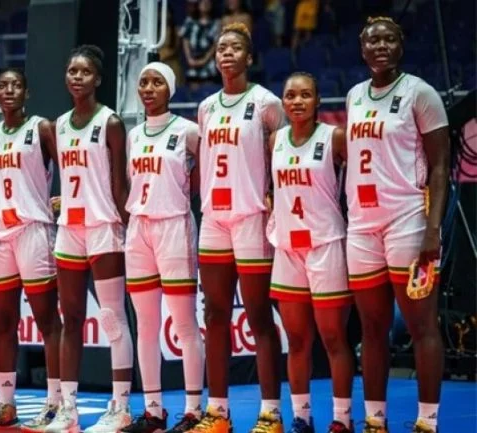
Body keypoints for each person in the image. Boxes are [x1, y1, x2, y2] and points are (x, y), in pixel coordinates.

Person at [346, 17, 449, 433]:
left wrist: (432, 228)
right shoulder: (354, 95)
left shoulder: (420, 93)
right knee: (372, 328)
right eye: (373, 41)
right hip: (362, 224)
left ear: (401, 45)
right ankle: (375, 421)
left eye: (389, 39)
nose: (381, 46)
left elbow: (440, 168)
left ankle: (427, 421)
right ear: (362, 48)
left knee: (422, 325)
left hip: (407, 218)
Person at [194, 23, 286, 433]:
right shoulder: (206, 107)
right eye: (221, 48)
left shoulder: (266, 103)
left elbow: (285, 157)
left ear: (249, 57)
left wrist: (276, 203)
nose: (226, 53)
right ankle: (218, 413)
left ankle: (271, 413)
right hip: (214, 218)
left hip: (251, 216)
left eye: (235, 48)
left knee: (258, 315)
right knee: (214, 314)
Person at [0, 68, 63, 432]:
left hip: (33, 229)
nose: (10, 90)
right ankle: (5, 405)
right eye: (3, 86)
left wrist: (66, 197)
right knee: (3, 323)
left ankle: (56, 404)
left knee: (47, 321)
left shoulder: (41, 128)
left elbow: (69, 165)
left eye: (16, 85)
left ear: (26, 92)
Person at [46, 45, 134, 433]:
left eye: (84, 72)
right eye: (72, 71)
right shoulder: (59, 125)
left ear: (97, 79)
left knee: (112, 318)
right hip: (70, 229)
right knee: (71, 319)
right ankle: (68, 409)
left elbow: (118, 183)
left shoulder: (110, 122)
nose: (77, 77)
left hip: (103, 227)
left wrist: (129, 226)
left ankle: (121, 407)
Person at [120, 62, 205, 433]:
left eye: (157, 82)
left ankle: (194, 411)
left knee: (185, 324)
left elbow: (205, 174)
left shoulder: (188, 130)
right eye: (144, 82)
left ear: (170, 89)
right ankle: (154, 412)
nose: (149, 88)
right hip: (139, 228)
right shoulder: (133, 135)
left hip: (174, 225)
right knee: (146, 325)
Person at [268, 72, 354, 433]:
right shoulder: (274, 140)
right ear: (283, 102)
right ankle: (302, 417)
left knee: (333, 337)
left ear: (318, 100)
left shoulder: (334, 137)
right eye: (291, 95)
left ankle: (342, 419)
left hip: (325, 244)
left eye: (305, 95)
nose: (297, 101)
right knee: (297, 340)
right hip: (288, 248)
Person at [180, 0, 220, 90]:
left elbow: (216, 43)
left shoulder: (216, 23)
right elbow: (185, 40)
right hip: (192, 62)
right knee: (193, 92)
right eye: (202, 2)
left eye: (208, 2)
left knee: (209, 91)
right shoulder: (190, 21)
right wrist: (189, 59)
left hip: (209, 64)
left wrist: (204, 60)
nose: (205, 4)